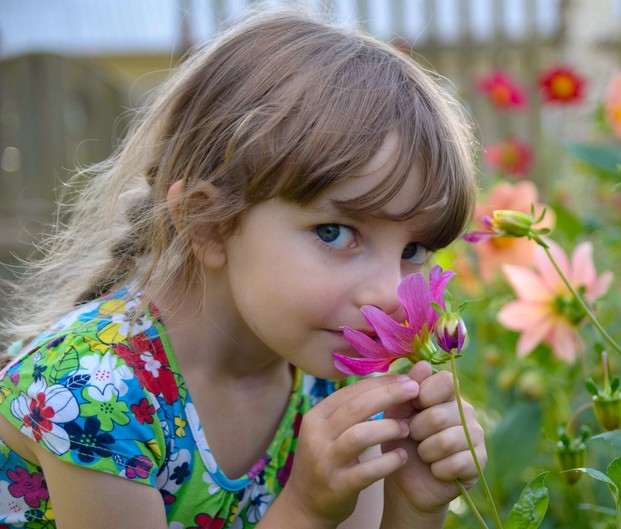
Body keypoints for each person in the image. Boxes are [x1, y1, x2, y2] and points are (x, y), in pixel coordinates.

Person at [0, 8, 485, 529]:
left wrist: (415, 505)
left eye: (414, 250)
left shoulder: (331, 380)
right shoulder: (94, 393)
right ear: (208, 223)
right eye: (336, 233)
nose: (391, 295)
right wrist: (305, 510)